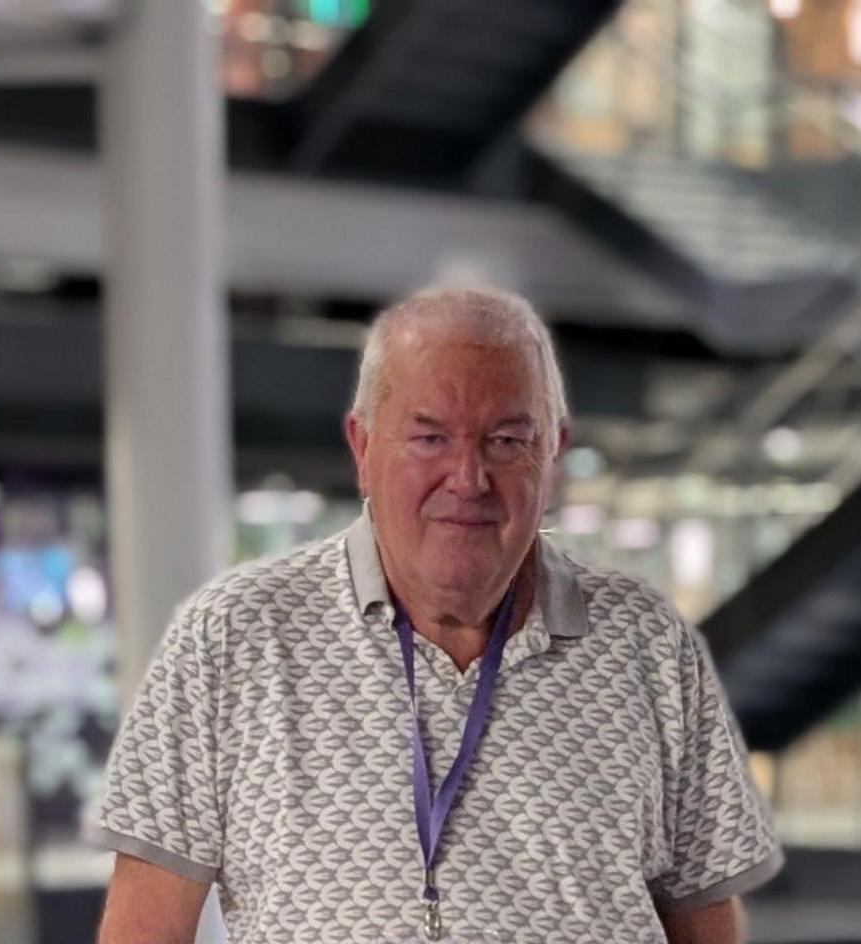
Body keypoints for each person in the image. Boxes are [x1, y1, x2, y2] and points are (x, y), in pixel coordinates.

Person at [89, 286, 782, 943]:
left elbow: (703, 916)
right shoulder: (232, 638)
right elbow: (144, 930)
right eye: (429, 439)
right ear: (362, 448)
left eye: (507, 441)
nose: (468, 478)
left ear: (554, 456)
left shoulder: (647, 645)